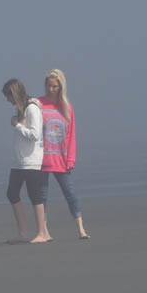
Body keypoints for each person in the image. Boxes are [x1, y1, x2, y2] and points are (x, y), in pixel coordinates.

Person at [39, 69, 90, 239]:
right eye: (48, 85)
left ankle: (81, 230)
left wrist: (71, 159)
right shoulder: (38, 103)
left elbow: (71, 135)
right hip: (41, 159)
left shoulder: (66, 107)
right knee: (42, 197)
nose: (51, 89)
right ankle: (44, 231)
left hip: (60, 159)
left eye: (54, 86)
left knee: (70, 193)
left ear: (61, 87)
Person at [2, 78, 52, 243]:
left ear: (14, 94)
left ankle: (42, 233)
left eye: (8, 96)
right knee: (12, 193)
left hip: (31, 160)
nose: (7, 100)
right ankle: (22, 233)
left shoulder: (32, 108)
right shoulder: (21, 109)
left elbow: (35, 134)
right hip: (19, 161)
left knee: (35, 195)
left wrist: (17, 125)